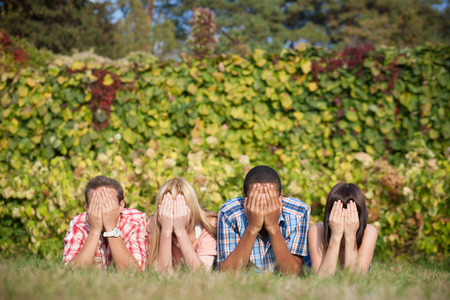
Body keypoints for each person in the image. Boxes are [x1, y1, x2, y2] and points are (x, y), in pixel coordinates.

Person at [217, 165, 310, 274]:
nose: (263, 203)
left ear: (280, 196)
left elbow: (292, 274)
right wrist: (252, 227)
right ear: (244, 197)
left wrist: (273, 227)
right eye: (255, 198)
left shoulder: (299, 213)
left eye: (270, 198)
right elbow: (227, 274)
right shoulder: (229, 213)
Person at [63, 175, 148, 270]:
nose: (104, 209)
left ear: (121, 205)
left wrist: (111, 227)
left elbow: (134, 273)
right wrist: (94, 231)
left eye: (108, 203)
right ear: (87, 208)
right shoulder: (79, 223)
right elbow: (72, 272)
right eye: (96, 204)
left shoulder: (135, 221)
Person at [147, 178, 217, 272]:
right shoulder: (152, 224)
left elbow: (201, 274)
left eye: (180, 209)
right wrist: (166, 231)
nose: (174, 214)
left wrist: (180, 231)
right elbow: (162, 275)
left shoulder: (207, 225)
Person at [308, 182, 378, 276]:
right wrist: (335, 237)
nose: (344, 218)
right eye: (338, 212)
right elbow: (322, 280)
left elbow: (355, 279)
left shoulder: (369, 232)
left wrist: (350, 236)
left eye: (351, 213)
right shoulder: (317, 230)